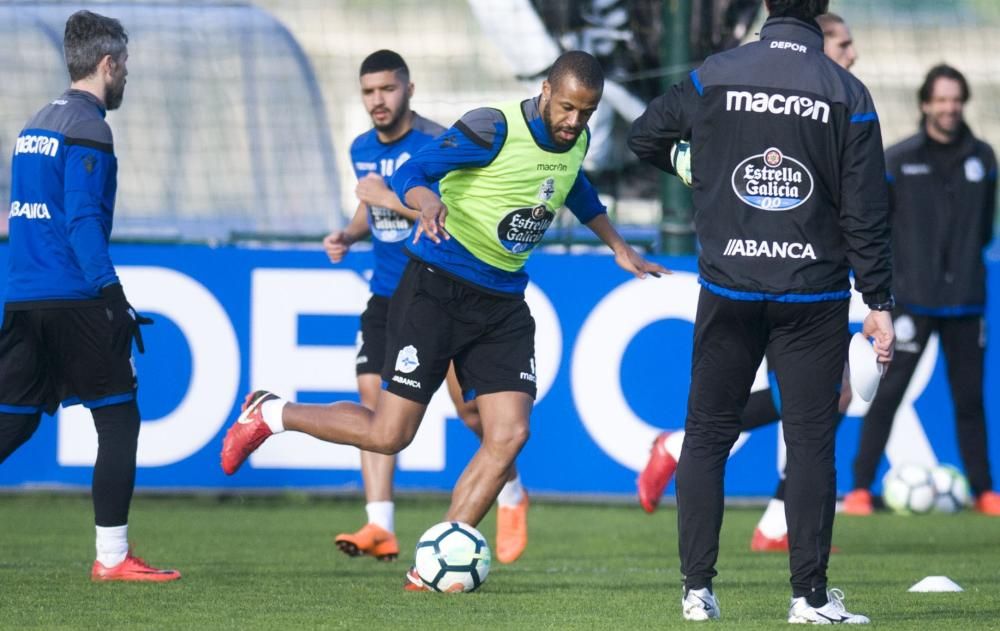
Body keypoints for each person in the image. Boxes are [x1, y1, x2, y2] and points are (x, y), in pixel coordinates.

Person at [222, 50, 666, 589]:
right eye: (568, 107)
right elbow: (413, 170)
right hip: (437, 287)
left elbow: (574, 186)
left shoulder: (576, 140)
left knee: (510, 434)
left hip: (502, 303)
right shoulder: (493, 126)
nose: (575, 121)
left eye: (587, 112)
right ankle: (272, 413)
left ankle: (430, 563)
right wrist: (426, 203)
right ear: (546, 89)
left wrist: (617, 245)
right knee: (389, 435)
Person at [629, 0, 894, 623]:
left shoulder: (716, 72)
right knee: (809, 445)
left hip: (730, 285)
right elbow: (865, 211)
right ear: (822, 9)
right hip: (813, 294)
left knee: (708, 436)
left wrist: (689, 164)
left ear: (768, 6)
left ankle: (697, 591)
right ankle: (808, 597)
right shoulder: (846, 91)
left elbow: (645, 136)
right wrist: (877, 300)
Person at [321, 49, 530, 564]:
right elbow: (367, 207)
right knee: (375, 407)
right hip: (386, 294)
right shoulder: (360, 148)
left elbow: (444, 212)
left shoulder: (439, 142)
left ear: (408, 90)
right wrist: (348, 233)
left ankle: (511, 490)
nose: (378, 100)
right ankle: (380, 525)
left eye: (387, 89)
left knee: (470, 411)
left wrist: (385, 196)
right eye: (369, 91)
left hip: (439, 288)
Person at [0, 10, 179, 582]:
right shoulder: (89, 127)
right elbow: (79, 218)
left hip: (23, 298)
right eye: (123, 64)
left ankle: (114, 557)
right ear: (107, 64)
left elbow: (27, 217)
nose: (125, 75)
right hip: (73, 296)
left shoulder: (36, 123)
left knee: (16, 422)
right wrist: (112, 293)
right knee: (118, 418)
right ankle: (112, 558)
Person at [843, 64, 1000, 517]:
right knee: (887, 396)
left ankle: (985, 490)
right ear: (925, 104)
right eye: (942, 99)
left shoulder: (984, 158)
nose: (950, 108)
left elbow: (985, 227)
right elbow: (879, 226)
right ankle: (858, 489)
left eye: (957, 99)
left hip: (967, 299)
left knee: (969, 399)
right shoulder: (897, 159)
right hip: (912, 299)